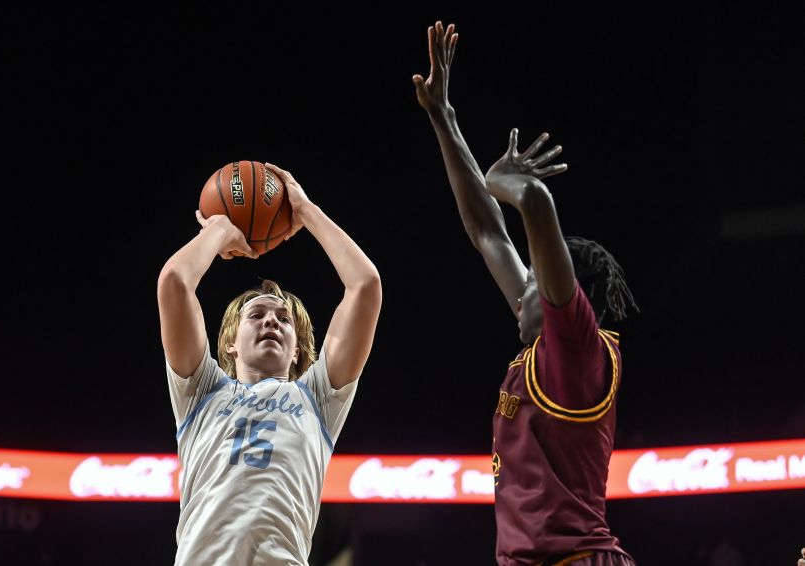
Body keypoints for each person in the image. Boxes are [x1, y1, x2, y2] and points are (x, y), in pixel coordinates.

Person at [413, 21, 638, 565]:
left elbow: (533, 200)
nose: (521, 291)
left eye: (534, 281)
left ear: (572, 298)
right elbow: (489, 233)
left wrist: (502, 180)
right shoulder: (542, 344)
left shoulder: (581, 352)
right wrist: (444, 118)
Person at [157, 163, 381, 566]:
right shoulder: (200, 391)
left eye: (282, 319)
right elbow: (175, 281)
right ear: (229, 345)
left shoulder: (318, 397)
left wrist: (306, 210)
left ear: (297, 351)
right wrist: (220, 230)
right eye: (256, 316)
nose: (271, 322)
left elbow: (365, 285)